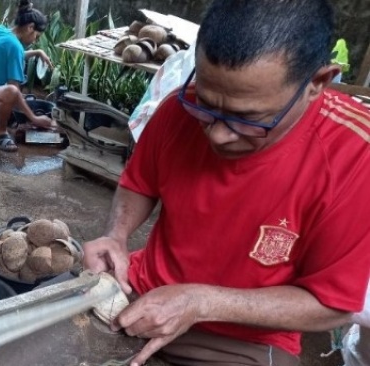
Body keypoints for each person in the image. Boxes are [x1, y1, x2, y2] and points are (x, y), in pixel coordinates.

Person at [82, 1, 370, 365]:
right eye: (207, 106)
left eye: (248, 118)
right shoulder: (178, 109)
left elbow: (333, 305)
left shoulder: (357, 155)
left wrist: (201, 302)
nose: (218, 135)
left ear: (316, 83)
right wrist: (117, 235)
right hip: (143, 296)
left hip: (242, 337)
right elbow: (140, 182)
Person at [0, 0, 55, 152]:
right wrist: (35, 118)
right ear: (30, 27)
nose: (35, 40)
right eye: (37, 36)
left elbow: (13, 55)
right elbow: (14, 90)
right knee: (13, 93)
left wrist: (37, 52)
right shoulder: (15, 47)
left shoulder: (2, 31)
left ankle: (5, 121)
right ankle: (0, 133)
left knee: (16, 102)